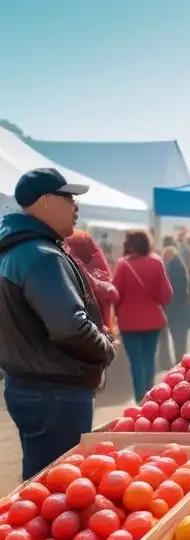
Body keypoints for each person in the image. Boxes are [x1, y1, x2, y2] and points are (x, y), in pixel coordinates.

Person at [0, 168, 116, 479]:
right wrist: (105, 350)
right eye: (68, 197)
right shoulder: (41, 256)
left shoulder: (16, 249)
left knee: (41, 483)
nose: (75, 205)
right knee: (57, 486)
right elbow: (69, 326)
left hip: (29, 384)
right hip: (55, 392)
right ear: (44, 202)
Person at [113, 230, 173, 403]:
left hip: (129, 322)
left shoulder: (123, 265)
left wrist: (117, 313)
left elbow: (116, 294)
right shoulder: (156, 262)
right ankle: (151, 397)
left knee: (136, 362)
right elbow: (166, 294)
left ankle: (141, 399)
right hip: (153, 320)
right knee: (149, 360)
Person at [65, 230, 118, 330]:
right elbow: (111, 291)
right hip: (96, 325)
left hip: (72, 323)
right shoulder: (92, 260)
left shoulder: (64, 263)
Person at [161, 245, 190, 362]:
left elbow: (170, 288)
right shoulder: (180, 265)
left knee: (176, 335)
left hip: (174, 307)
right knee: (181, 337)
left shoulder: (172, 267)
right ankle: (181, 358)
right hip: (181, 306)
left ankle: (179, 359)